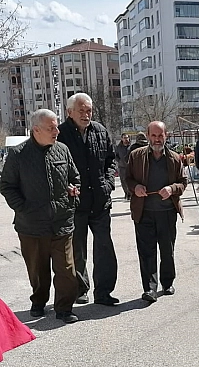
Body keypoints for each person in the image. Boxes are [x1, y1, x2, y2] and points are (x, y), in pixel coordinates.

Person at [0, 109, 82, 323]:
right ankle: (39, 301)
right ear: (36, 130)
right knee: (37, 270)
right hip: (31, 226)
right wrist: (22, 208)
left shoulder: (62, 150)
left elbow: (75, 177)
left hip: (62, 222)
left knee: (66, 269)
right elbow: (7, 186)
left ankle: (64, 308)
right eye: (51, 128)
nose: (56, 131)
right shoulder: (18, 155)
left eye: (56, 126)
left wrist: (73, 193)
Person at [57, 93, 119, 307]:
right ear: (69, 112)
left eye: (89, 110)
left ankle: (104, 292)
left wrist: (108, 183)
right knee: (77, 250)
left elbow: (111, 160)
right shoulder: (61, 134)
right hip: (75, 205)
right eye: (81, 110)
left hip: (100, 202)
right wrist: (64, 187)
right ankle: (80, 289)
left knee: (104, 249)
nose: (86, 115)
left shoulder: (100, 131)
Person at [125, 121, 187, 303]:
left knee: (167, 250)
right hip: (143, 212)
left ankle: (167, 283)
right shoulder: (136, 156)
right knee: (146, 252)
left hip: (167, 212)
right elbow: (127, 178)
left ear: (166, 135)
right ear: (147, 135)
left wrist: (171, 188)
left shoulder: (174, 158)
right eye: (154, 135)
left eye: (160, 135)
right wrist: (135, 187)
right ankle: (149, 288)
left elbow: (183, 183)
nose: (157, 139)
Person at [116, 133, 132, 200]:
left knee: (130, 180)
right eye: (124, 138)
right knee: (123, 181)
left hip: (130, 166)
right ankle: (126, 193)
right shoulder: (118, 147)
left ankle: (130, 193)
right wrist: (119, 161)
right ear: (122, 139)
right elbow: (116, 155)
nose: (126, 139)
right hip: (122, 167)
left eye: (127, 137)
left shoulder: (131, 147)